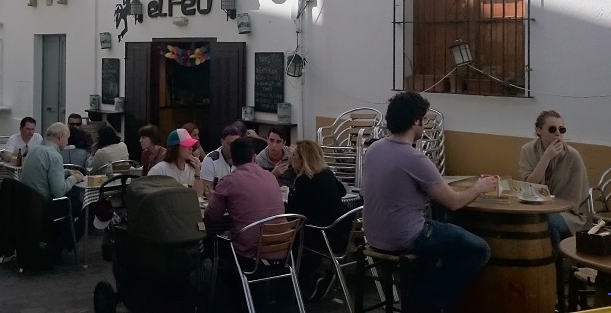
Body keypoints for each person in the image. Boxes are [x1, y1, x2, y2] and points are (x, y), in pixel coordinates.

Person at [362, 91, 497, 313]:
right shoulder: (414, 158)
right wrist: (479, 187)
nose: (423, 126)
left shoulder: (375, 148)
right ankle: (430, 303)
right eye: (423, 120)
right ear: (416, 121)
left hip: (374, 235)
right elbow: (453, 202)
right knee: (479, 249)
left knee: (438, 240)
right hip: (404, 238)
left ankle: (420, 294)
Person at [286, 140, 348, 300]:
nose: (290, 158)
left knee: (291, 235)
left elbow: (294, 212)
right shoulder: (327, 174)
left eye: (293, 155)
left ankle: (292, 282)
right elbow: (342, 191)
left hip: (324, 236)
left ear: (302, 159)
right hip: (343, 234)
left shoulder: (304, 181)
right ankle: (320, 273)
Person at [518, 110, 590, 247]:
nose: (558, 133)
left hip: (569, 213)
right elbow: (528, 186)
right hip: (537, 207)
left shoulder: (572, 156)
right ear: (539, 130)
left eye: (561, 129)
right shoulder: (527, 150)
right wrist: (546, 158)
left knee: (548, 224)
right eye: (552, 129)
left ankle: (554, 265)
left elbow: (575, 198)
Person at [204, 138, 284, 257]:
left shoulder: (228, 182)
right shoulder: (270, 176)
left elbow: (212, 217)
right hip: (281, 244)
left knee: (212, 239)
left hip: (249, 250)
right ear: (254, 157)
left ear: (232, 160)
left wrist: (212, 200)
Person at [147, 128, 204, 195]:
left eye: (191, 145)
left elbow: (198, 194)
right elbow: (149, 195)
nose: (191, 148)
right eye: (187, 145)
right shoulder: (159, 169)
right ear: (175, 148)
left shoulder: (192, 169)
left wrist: (198, 172)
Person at [201, 125, 241, 196]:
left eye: (236, 144)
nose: (233, 148)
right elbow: (207, 191)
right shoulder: (210, 160)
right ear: (222, 141)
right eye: (229, 144)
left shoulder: (244, 159)